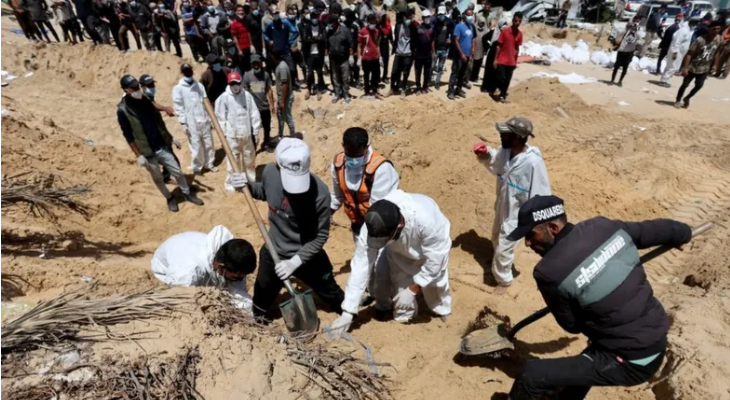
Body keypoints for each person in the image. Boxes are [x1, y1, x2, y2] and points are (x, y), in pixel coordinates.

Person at [504, 195, 692, 400]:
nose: (527, 243)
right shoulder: (603, 227)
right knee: (584, 364)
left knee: (530, 375)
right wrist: (683, 233)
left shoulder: (548, 272)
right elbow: (657, 230)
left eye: (531, 235)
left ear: (552, 228)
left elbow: (572, 325)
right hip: (657, 340)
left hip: (631, 360)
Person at [234, 138, 346, 319]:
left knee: (330, 291)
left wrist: (295, 261)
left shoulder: (320, 194)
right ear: (278, 166)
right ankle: (258, 321)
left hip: (306, 255)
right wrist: (245, 187)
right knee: (262, 296)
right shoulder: (270, 172)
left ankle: (347, 312)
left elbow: (320, 236)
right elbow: (264, 192)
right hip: (274, 250)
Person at [331, 190, 452, 336]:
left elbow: (435, 260)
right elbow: (360, 266)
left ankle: (441, 310)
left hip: (430, 251)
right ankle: (405, 322)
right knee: (401, 295)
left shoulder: (427, 221)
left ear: (399, 227)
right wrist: (348, 311)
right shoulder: (372, 225)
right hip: (399, 254)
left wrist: (413, 289)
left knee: (436, 285)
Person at [473, 116, 551, 293]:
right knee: (495, 238)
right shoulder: (506, 151)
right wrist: (485, 154)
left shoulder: (533, 162)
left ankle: (504, 281)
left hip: (518, 214)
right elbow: (495, 163)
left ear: (517, 137)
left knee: (504, 247)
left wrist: (535, 223)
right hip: (503, 206)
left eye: (505, 134)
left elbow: (541, 192)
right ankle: (499, 264)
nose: (501, 135)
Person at [117, 75, 204, 212]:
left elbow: (157, 116)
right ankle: (170, 198)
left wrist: (170, 135)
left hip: (160, 145)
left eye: (137, 87)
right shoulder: (123, 110)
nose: (137, 89)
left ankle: (186, 193)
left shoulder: (143, 99)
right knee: (157, 178)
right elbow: (127, 135)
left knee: (177, 171)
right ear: (126, 90)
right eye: (133, 88)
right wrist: (138, 155)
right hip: (146, 151)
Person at [152, 225, 255, 312]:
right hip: (166, 266)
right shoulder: (188, 272)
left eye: (242, 277)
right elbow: (179, 299)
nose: (240, 280)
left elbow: (240, 296)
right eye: (235, 278)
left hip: (192, 247)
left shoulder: (233, 261)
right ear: (220, 267)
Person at [331, 127, 400, 238]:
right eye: (350, 154)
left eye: (358, 155)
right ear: (343, 146)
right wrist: (324, 214)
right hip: (358, 226)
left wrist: (367, 234)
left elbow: (378, 207)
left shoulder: (381, 169)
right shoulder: (338, 165)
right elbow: (337, 195)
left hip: (380, 228)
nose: (353, 159)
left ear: (367, 147)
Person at [215, 72, 261, 192]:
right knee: (233, 163)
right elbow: (221, 119)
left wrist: (255, 132)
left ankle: (251, 182)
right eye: (232, 83)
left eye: (237, 83)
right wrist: (224, 136)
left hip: (246, 135)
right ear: (229, 84)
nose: (235, 86)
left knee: (249, 160)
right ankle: (232, 184)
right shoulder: (223, 98)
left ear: (240, 82)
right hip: (232, 137)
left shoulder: (247, 96)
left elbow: (254, 114)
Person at [173, 63, 218, 175]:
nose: (188, 72)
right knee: (196, 146)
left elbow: (205, 102)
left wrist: (210, 118)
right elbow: (179, 107)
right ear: (182, 72)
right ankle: (197, 167)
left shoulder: (199, 86)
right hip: (191, 122)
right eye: (186, 71)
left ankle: (209, 164)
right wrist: (183, 123)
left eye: (189, 70)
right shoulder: (178, 89)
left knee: (209, 143)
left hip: (203, 119)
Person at [674, 20, 724, 109]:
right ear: (709, 29)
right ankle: (678, 99)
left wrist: (715, 65)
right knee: (685, 85)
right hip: (692, 66)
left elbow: (717, 52)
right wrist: (685, 68)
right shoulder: (700, 40)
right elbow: (689, 54)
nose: (716, 31)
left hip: (704, 67)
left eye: (718, 29)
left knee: (699, 85)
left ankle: (687, 98)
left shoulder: (720, 39)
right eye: (714, 29)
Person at [243, 54, 276, 152]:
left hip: (264, 107)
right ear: (251, 65)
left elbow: (269, 90)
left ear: (261, 64)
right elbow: (245, 91)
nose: (256, 65)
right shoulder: (247, 76)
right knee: (253, 129)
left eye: (257, 63)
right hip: (253, 109)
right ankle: (253, 148)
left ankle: (266, 143)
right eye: (254, 64)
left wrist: (272, 105)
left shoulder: (265, 75)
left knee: (267, 128)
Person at [492, 11, 522, 103]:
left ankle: (502, 96)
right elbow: (498, 46)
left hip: (511, 62)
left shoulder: (520, 34)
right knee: (501, 78)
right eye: (516, 21)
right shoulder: (505, 31)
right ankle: (495, 89)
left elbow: (517, 48)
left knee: (507, 80)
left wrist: (515, 61)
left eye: (519, 21)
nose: (517, 23)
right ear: (513, 20)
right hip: (502, 60)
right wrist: (495, 59)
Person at [264, 11, 299, 87]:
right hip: (276, 51)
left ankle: (292, 83)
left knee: (292, 69)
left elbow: (295, 32)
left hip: (286, 49)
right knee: (278, 69)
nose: (276, 15)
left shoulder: (285, 22)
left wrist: (290, 41)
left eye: (277, 13)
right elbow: (264, 33)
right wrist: (269, 40)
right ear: (272, 15)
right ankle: (281, 84)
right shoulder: (270, 24)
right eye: (274, 14)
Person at [447, 8, 475, 100]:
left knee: (462, 74)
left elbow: (471, 40)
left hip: (467, 55)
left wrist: (470, 54)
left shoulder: (470, 27)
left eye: (471, 15)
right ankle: (450, 91)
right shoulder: (458, 26)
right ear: (464, 15)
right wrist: (461, 54)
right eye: (468, 15)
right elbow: (456, 41)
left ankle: (458, 89)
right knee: (455, 73)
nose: (470, 17)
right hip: (459, 55)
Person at [325, 13, 353, 104]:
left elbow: (350, 45)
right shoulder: (329, 32)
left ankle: (345, 94)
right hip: (333, 59)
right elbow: (326, 45)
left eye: (331, 23)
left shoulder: (345, 30)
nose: (329, 25)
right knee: (335, 78)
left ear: (336, 23)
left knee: (345, 78)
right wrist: (326, 56)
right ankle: (337, 94)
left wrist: (351, 56)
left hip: (344, 59)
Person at [390, 7, 418, 97]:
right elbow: (396, 39)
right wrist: (394, 49)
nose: (409, 20)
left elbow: (415, 41)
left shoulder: (413, 28)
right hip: (398, 53)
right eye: (407, 17)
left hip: (408, 54)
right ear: (403, 17)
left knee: (406, 72)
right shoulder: (398, 26)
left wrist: (414, 52)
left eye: (410, 18)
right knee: (394, 71)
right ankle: (392, 88)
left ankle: (403, 89)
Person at [659, 17, 694, 87]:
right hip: (676, 51)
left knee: (670, 66)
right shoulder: (683, 31)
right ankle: (664, 81)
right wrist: (675, 52)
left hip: (679, 52)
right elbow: (676, 42)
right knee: (673, 67)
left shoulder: (686, 30)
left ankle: (663, 80)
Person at [301, 10, 327, 100]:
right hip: (309, 54)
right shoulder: (307, 27)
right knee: (310, 73)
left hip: (319, 53)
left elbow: (323, 38)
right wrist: (316, 39)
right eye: (313, 17)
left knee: (319, 73)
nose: (314, 19)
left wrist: (312, 39)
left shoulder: (321, 26)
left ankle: (319, 90)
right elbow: (305, 39)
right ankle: (309, 89)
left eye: (316, 17)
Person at [272, 48, 296, 139]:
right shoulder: (280, 65)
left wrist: (282, 100)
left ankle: (293, 137)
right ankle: (281, 135)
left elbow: (285, 85)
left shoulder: (282, 67)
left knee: (288, 118)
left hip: (285, 97)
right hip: (282, 97)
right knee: (280, 116)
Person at [610, 16, 640, 87]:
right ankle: (612, 80)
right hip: (622, 51)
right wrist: (627, 28)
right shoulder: (625, 32)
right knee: (616, 67)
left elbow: (639, 37)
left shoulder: (636, 34)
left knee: (625, 68)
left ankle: (620, 81)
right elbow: (618, 35)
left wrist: (635, 30)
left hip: (629, 52)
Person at [359, 13, 383, 98]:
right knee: (366, 75)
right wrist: (359, 58)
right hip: (366, 58)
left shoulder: (376, 31)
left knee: (375, 75)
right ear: (368, 21)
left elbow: (377, 45)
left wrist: (380, 57)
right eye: (371, 21)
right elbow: (359, 45)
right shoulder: (362, 31)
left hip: (375, 57)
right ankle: (367, 91)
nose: (373, 23)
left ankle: (375, 90)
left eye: (374, 21)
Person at [412, 9, 434, 94]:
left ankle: (425, 87)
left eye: (428, 17)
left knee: (427, 72)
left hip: (428, 55)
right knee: (418, 72)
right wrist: (414, 52)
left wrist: (433, 52)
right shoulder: (418, 29)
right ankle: (418, 87)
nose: (427, 19)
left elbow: (432, 41)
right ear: (422, 18)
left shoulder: (432, 29)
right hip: (419, 55)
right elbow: (414, 41)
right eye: (426, 17)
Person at [432, 6, 454, 89]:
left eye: (442, 14)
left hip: (444, 49)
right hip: (436, 48)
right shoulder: (435, 22)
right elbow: (433, 37)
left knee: (440, 67)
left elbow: (454, 32)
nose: (440, 16)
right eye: (439, 14)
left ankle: (437, 83)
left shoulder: (449, 22)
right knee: (432, 65)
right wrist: (433, 51)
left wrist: (451, 39)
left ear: (444, 14)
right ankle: (429, 80)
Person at [231, 5, 253, 72]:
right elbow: (235, 38)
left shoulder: (247, 20)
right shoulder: (234, 24)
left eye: (242, 10)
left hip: (249, 46)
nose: (241, 12)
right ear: (236, 12)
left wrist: (252, 45)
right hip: (242, 48)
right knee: (244, 65)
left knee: (251, 63)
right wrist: (239, 50)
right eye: (239, 11)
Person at [469, 15, 489, 82]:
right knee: (472, 63)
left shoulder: (485, 30)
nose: (482, 24)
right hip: (474, 47)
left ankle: (475, 76)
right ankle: (470, 76)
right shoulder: (474, 28)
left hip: (481, 49)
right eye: (481, 23)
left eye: (483, 23)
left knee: (478, 64)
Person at [378, 13, 394, 84]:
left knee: (386, 62)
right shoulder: (378, 26)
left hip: (385, 46)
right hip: (378, 46)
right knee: (377, 63)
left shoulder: (388, 27)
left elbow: (391, 38)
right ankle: (377, 76)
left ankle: (384, 77)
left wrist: (394, 47)